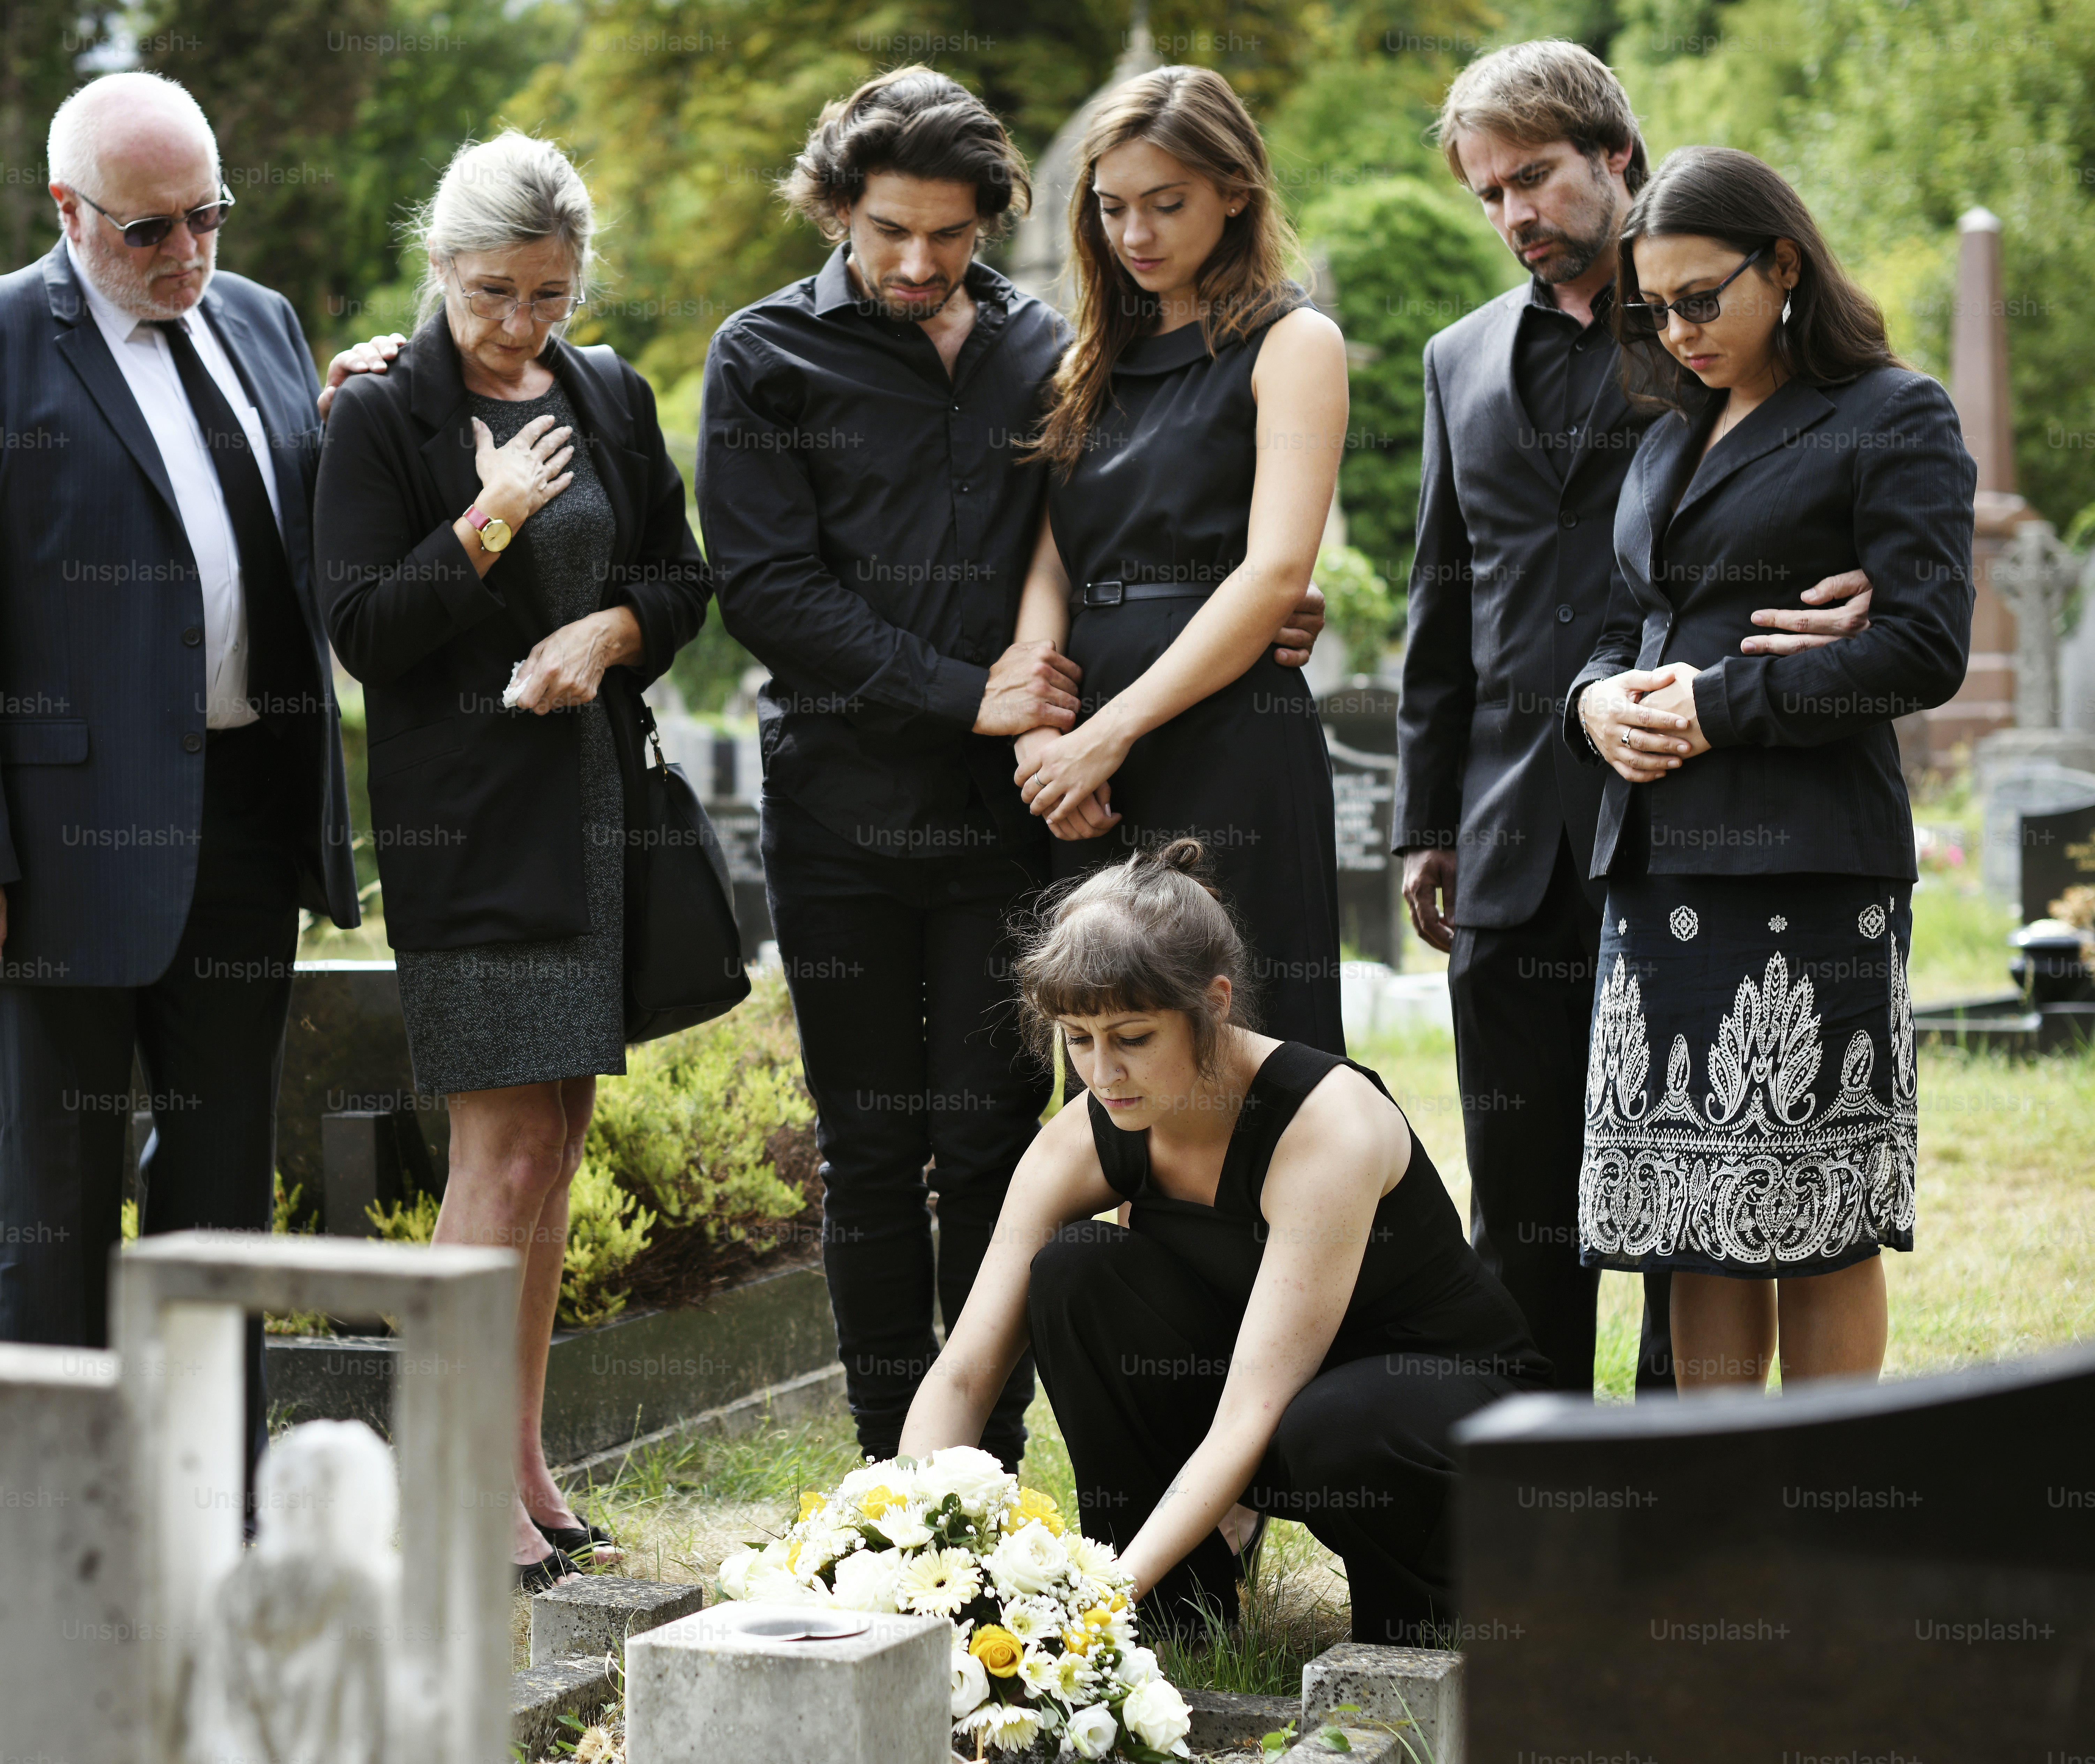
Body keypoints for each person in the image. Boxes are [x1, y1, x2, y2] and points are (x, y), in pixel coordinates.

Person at [698, 66, 1326, 1473]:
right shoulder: (759, 355)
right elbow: (764, 587)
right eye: (885, 234)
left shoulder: (1053, 343)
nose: (917, 264)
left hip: (1012, 829)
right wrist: (967, 697)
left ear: (991, 217)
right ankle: (885, 1467)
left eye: (948, 233)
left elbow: (1107, 530)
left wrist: (1235, 601)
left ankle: (983, 1461)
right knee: (865, 1152)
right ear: (833, 212)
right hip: (843, 817)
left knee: (999, 1141)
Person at [1395, 41, 1875, 1396]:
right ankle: (1547, 1514)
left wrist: (1878, 588)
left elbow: (1846, 456)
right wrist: (1426, 821)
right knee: (1521, 1212)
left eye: (1534, 178)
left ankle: (1677, 1499)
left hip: (1691, 820)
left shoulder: (1711, 321)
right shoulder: (1453, 360)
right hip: (1505, 836)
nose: (1513, 216)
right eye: (1487, 194)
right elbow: (1443, 603)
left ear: (1616, 158)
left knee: (1688, 1208)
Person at [315, 132, 708, 1586]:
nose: (518, 323)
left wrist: (609, 636)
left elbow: (679, 578)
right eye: (492, 291)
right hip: (466, 835)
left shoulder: (606, 390)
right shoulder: (378, 416)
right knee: (501, 1149)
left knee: (557, 1143)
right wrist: (492, 518)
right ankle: (445, 1472)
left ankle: (522, 1459)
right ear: (440, 267)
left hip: (593, 821)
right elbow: (361, 631)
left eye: (547, 293)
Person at [0, 72, 398, 1461]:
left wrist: (346, 420)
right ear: (69, 212)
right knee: (48, 1196)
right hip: (59, 840)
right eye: (147, 231)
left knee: (223, 1183)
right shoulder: (4, 342)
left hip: (244, 818)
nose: (185, 256)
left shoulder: (263, 320)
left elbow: (269, 527)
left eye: (205, 219)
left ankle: (211, 1499)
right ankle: (50, 1519)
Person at [900, 839, 1549, 1647]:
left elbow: (1252, 1411)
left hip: (1440, 1431)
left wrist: (1088, 1609)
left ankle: (1432, 1633)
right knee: (1076, 1274)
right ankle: (1174, 1623)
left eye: (1132, 1037)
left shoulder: (1325, 1125)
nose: (1103, 1073)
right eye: (1077, 1038)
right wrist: (903, 1550)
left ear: (1211, 1004)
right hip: (1285, 1420)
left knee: (1340, 1421)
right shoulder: (1086, 1133)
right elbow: (964, 1371)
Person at [1566, 145, 1975, 1393]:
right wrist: (1593, 706)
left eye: (1702, 299)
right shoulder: (1667, 433)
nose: (1677, 331)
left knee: (1816, 1209)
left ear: (1781, 264)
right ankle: (1716, 1509)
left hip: (1804, 860)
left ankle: (1823, 1517)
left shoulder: (1890, 414)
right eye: (1655, 308)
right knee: (1690, 1210)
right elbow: (1621, 621)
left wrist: (1714, 705)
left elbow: (1921, 643)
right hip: (1654, 860)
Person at [1012, 65, 1350, 1056]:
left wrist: (1105, 737)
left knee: (1245, 1033)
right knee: (1113, 1036)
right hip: (1088, 748)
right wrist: (1046, 738)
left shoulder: (1293, 342)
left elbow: (1277, 573)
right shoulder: (1084, 363)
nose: (1137, 235)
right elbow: (1049, 563)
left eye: (1168, 205)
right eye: (1113, 208)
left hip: (1230, 728)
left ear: (1234, 191)